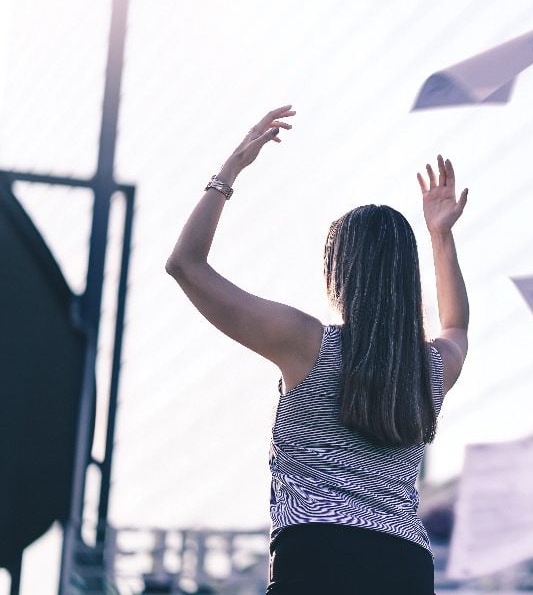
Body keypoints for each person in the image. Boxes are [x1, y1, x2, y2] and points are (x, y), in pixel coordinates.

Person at [165, 105, 469, 593]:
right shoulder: (432, 367)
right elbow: (457, 325)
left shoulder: (303, 341)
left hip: (317, 552)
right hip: (405, 563)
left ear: (339, 272)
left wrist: (229, 171)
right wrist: (440, 236)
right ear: (406, 277)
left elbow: (185, 265)